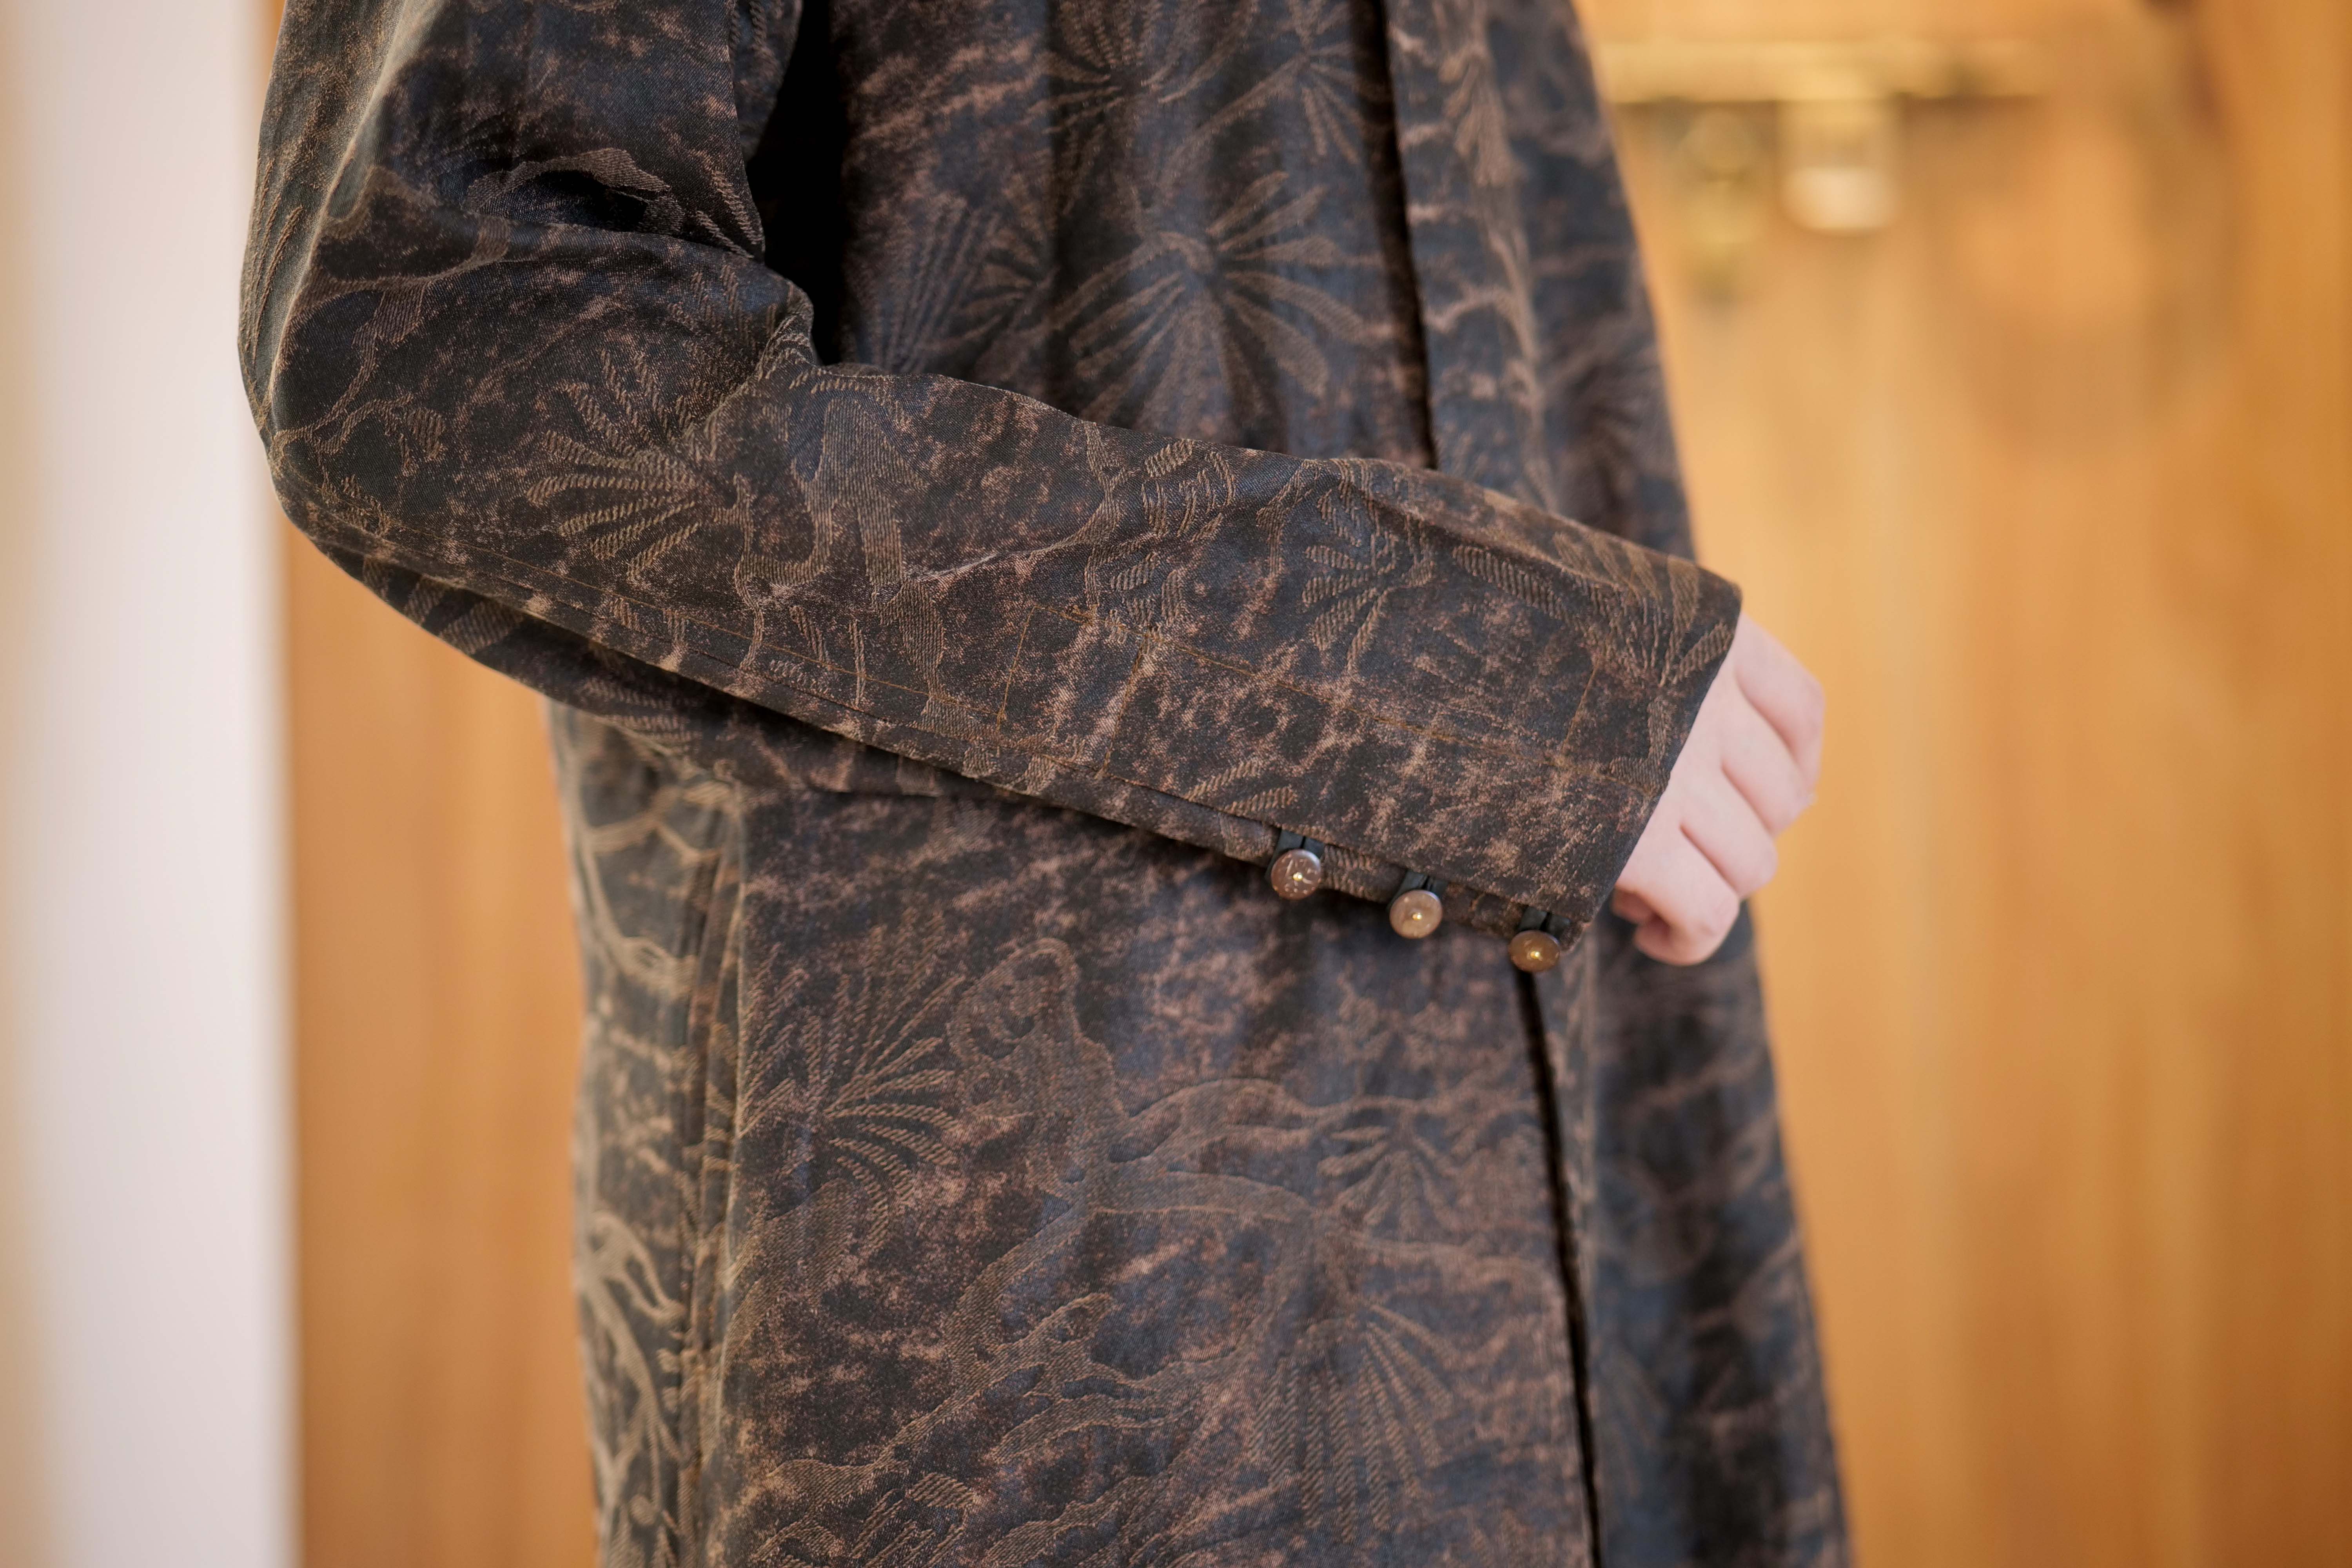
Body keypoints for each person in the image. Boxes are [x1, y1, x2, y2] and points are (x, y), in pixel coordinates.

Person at [245, 0, 1843, 1561]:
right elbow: (443, 331)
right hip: (1060, 1278)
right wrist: (1453, 673)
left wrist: (1549, 723)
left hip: (1576, 1081)